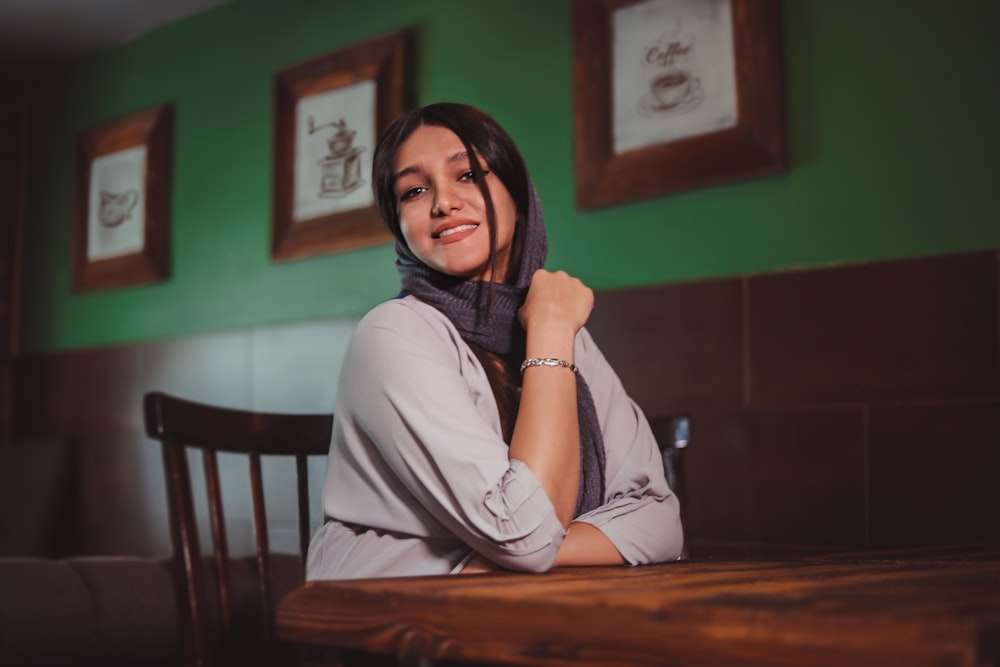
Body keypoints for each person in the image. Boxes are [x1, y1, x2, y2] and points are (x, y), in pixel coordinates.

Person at [306, 102, 683, 580]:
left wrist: (497, 560)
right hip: (397, 628)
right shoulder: (392, 333)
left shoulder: (562, 332)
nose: (444, 202)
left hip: (522, 607)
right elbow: (524, 538)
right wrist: (547, 332)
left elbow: (660, 521)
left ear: (517, 192)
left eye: (467, 175)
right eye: (414, 191)